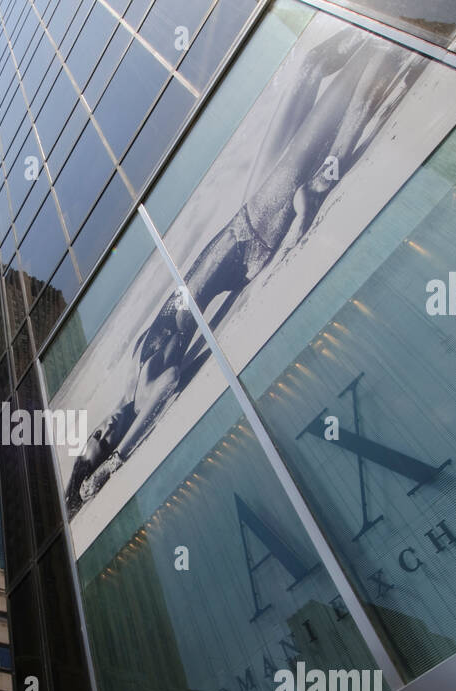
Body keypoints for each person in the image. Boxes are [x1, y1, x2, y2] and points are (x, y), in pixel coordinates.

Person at [66, 28, 427, 515]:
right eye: (104, 440)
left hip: (242, 218)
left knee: (311, 68)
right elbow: (171, 384)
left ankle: (380, 52)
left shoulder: (131, 373)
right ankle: (384, 65)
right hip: (252, 235)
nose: (104, 428)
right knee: (332, 105)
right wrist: (117, 463)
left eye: (95, 434)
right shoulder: (151, 384)